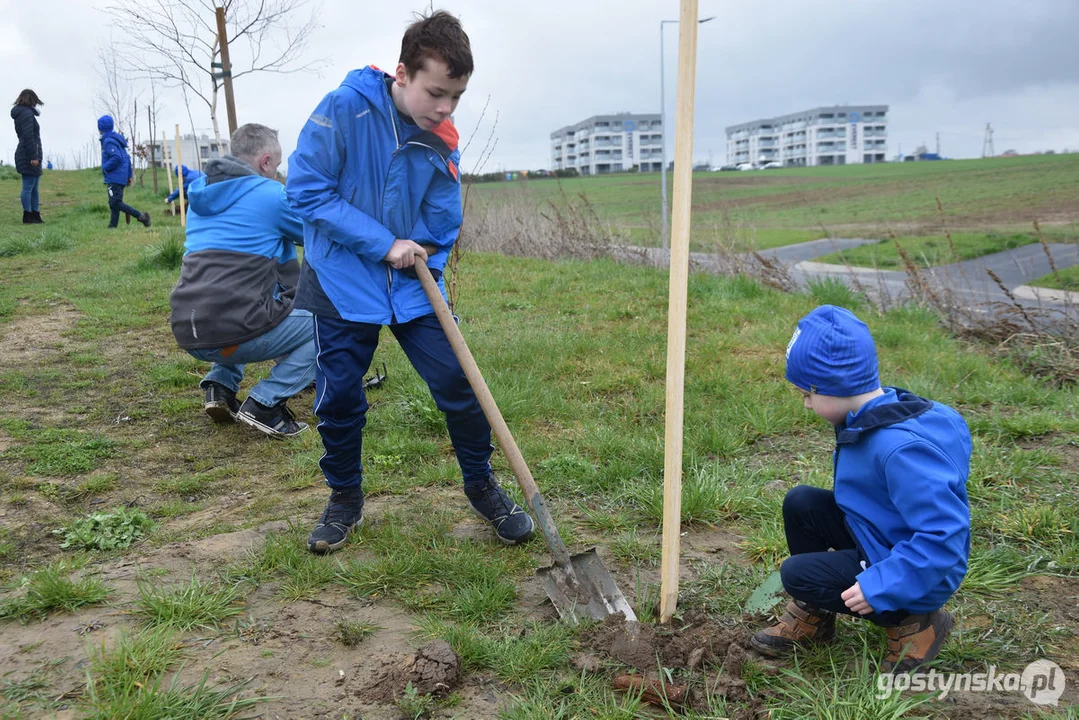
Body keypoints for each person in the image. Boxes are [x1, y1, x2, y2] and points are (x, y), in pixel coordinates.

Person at [286, 10, 535, 555]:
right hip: (340, 276)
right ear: (403, 74)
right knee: (339, 398)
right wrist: (383, 244)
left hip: (412, 280)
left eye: (457, 97)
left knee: (461, 384)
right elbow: (305, 191)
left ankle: (482, 487)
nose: (445, 108)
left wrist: (423, 258)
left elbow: (443, 221)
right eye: (436, 93)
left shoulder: (441, 138)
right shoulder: (345, 108)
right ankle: (344, 499)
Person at [750, 305, 971, 673]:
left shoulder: (898, 448)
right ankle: (815, 617)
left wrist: (880, 583)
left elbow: (944, 537)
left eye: (807, 394)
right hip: (881, 535)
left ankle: (914, 624)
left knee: (797, 574)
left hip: (917, 569)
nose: (805, 404)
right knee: (801, 502)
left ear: (835, 388)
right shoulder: (874, 413)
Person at [169, 123, 314, 439]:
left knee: (237, 293)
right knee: (331, 327)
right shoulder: (271, 195)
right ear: (265, 162)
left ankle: (219, 386)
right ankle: (266, 403)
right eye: (275, 167)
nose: (276, 174)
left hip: (188, 326)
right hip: (233, 327)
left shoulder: (201, 195)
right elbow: (315, 235)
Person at [98, 115, 150, 228]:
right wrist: (128, 176)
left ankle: (141, 217)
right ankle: (112, 226)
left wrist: (105, 168)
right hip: (120, 176)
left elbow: (116, 157)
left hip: (114, 177)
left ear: (100, 128)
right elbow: (126, 158)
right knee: (115, 203)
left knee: (115, 202)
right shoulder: (116, 140)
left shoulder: (108, 142)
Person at [11, 89, 44, 224]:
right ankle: (28, 215)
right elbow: (29, 137)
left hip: (29, 152)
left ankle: (35, 214)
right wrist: (33, 156)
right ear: (31, 100)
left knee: (34, 186)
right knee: (28, 186)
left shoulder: (25, 113)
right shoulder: (26, 114)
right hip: (28, 154)